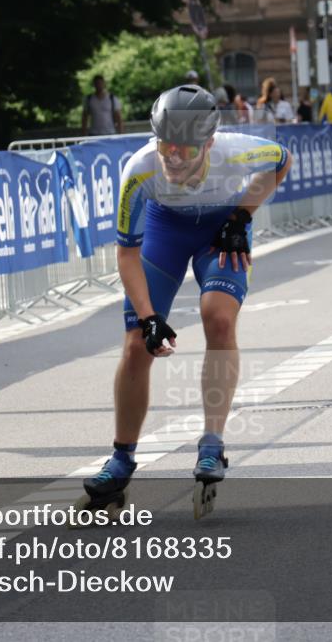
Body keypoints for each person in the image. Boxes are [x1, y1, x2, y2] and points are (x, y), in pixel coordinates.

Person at [76, 85, 291, 520]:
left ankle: (212, 445)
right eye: (165, 145)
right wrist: (149, 319)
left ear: (209, 143)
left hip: (220, 230)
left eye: (185, 149)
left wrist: (241, 216)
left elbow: (281, 161)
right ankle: (121, 460)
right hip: (166, 231)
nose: (172, 157)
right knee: (137, 343)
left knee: (219, 319)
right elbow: (127, 255)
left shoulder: (237, 152)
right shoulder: (139, 169)